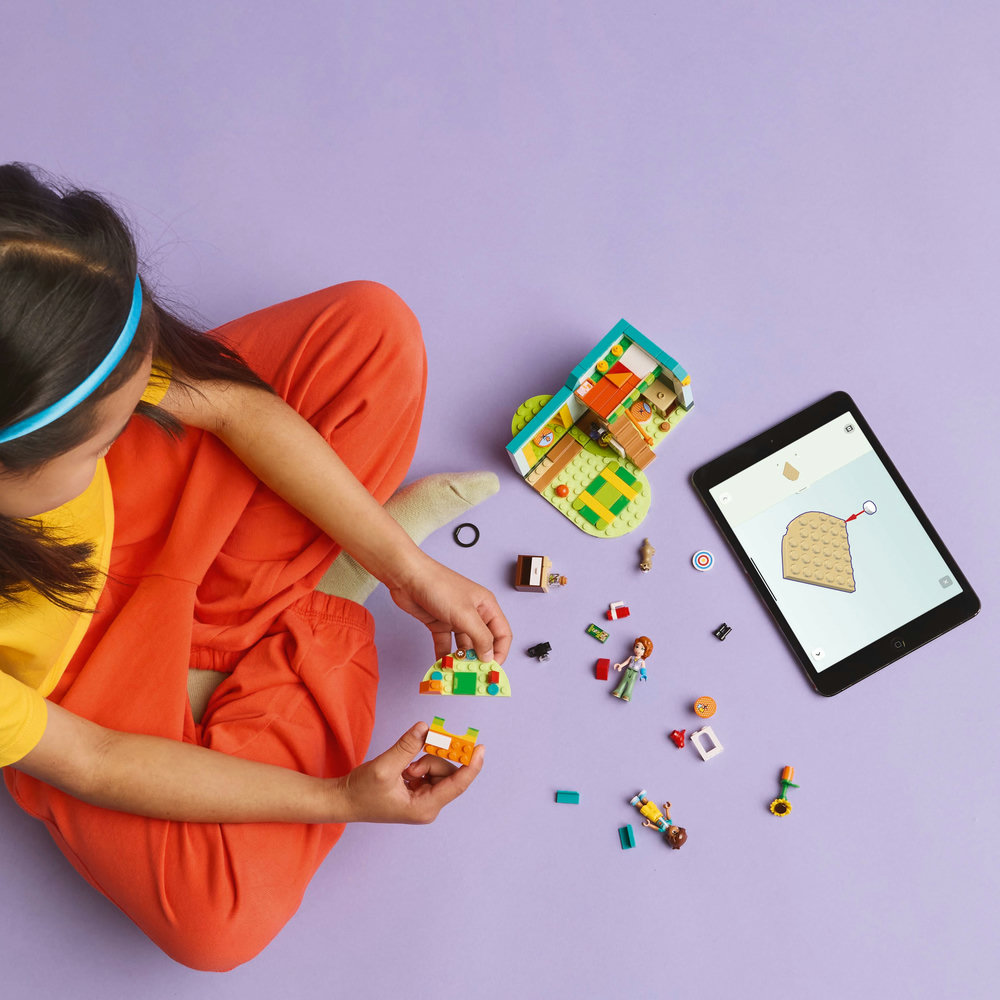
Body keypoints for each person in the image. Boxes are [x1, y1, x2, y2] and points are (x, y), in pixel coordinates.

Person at [0, 163, 512, 971]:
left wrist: (407, 567)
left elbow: (231, 404)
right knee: (217, 922)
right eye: (102, 438)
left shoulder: (37, 302)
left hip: (144, 526)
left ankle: (237, 641)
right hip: (79, 687)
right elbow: (94, 759)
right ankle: (314, 603)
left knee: (370, 332)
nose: (134, 421)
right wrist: (337, 798)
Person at [611, 635, 652, 702]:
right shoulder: (631, 657)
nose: (638, 650)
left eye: (642, 649)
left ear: (646, 652)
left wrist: (643, 674)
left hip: (634, 673)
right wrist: (620, 665)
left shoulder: (642, 661)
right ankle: (618, 691)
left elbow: (643, 668)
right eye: (637, 647)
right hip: (628, 670)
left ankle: (627, 694)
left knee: (631, 684)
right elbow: (626, 662)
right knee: (623, 681)